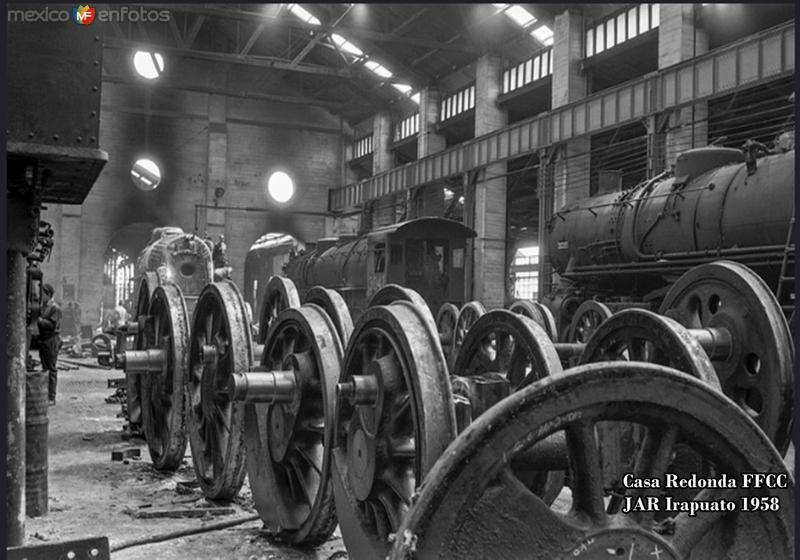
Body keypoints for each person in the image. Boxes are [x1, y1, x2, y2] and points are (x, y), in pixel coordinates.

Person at [37, 283, 62, 406]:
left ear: (48, 294)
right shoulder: (44, 307)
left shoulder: (54, 308)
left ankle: (52, 397)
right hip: (44, 340)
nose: (41, 296)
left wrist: (40, 321)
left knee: (51, 369)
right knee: (45, 368)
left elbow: (53, 325)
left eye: (43, 294)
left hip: (51, 340)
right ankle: (45, 395)